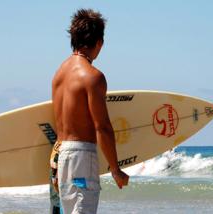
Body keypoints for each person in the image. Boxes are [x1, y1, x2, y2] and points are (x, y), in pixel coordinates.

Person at [51, 8, 129, 214]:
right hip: (81, 157)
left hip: (61, 155)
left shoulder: (59, 74)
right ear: (99, 43)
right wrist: (115, 169)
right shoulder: (93, 77)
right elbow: (102, 127)